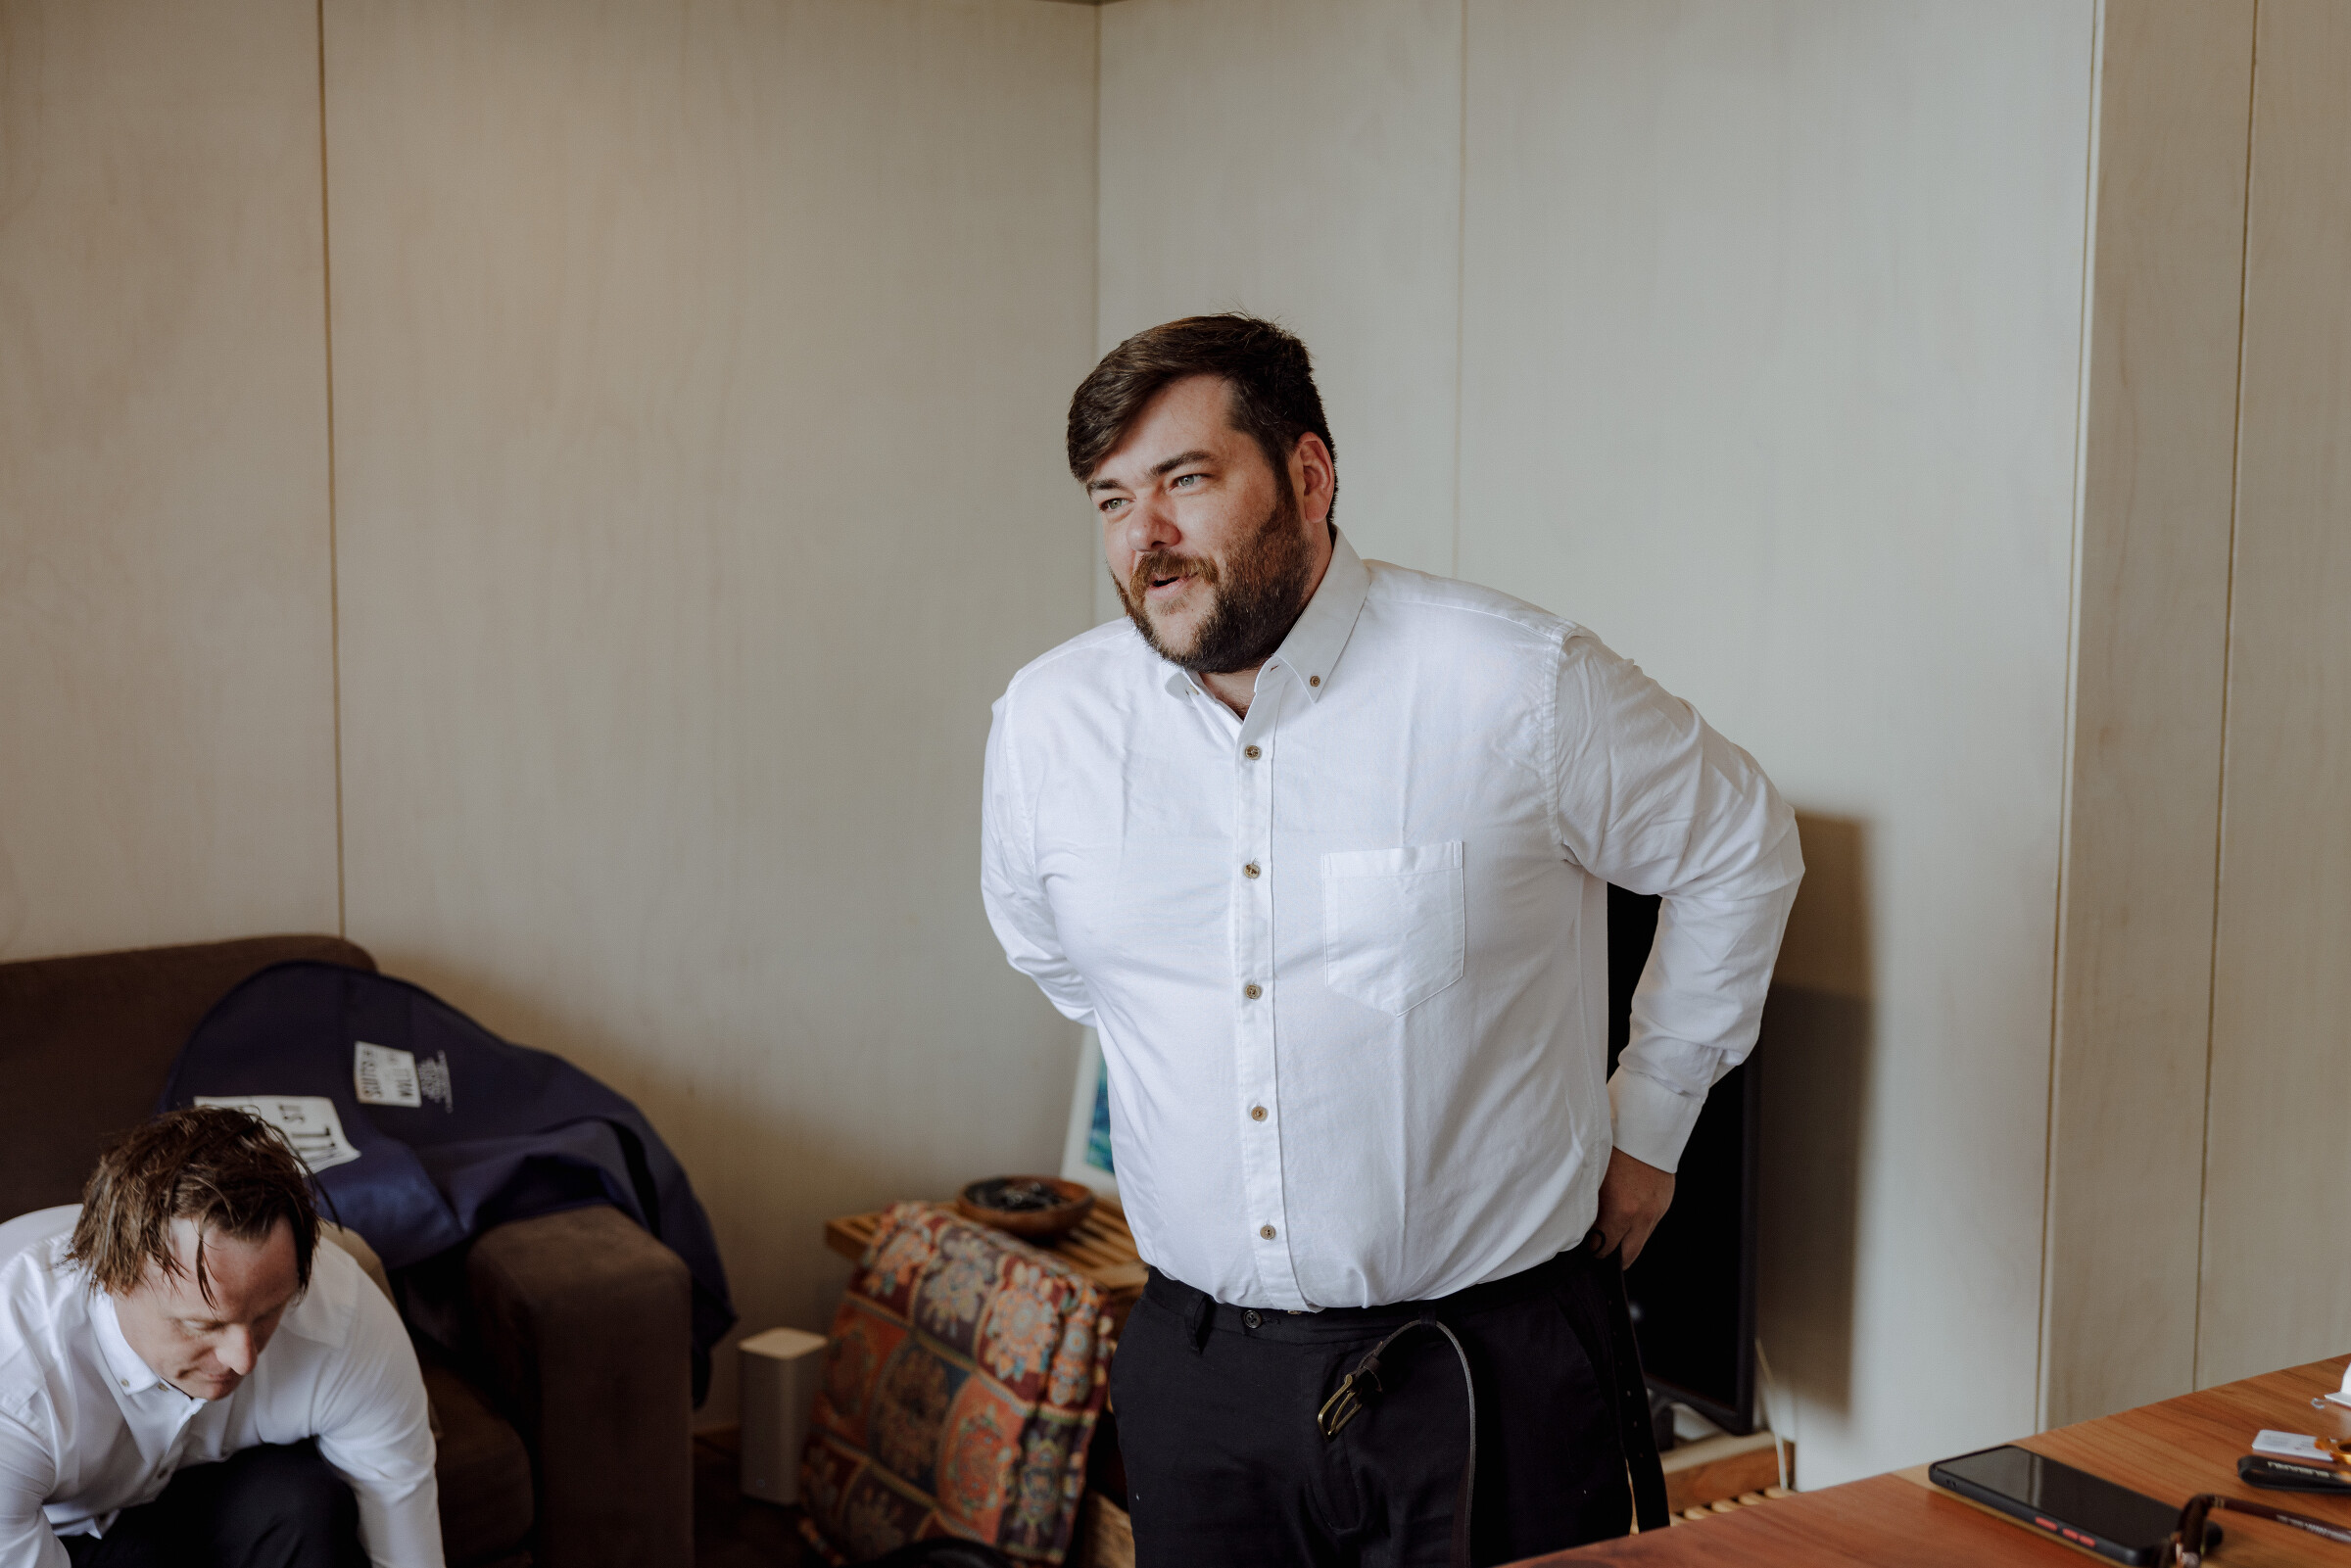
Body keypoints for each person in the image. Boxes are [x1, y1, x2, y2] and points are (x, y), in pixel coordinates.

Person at [981, 315, 1802, 1566]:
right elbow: (1065, 961)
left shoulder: (1515, 683)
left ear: (1308, 475)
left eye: (1185, 480)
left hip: (1484, 1376)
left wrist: (1651, 1124)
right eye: (1112, 499)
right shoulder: (1048, 724)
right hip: (1201, 1383)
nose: (1145, 537)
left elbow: (1739, 842)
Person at [0, 1107, 441, 1567]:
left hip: (201, 1495)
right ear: (112, 1278)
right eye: (203, 1325)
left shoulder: (342, 1315)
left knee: (305, 1504)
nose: (243, 1359)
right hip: (50, 1527)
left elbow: (407, 1544)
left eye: (267, 1314)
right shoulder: (14, 1383)